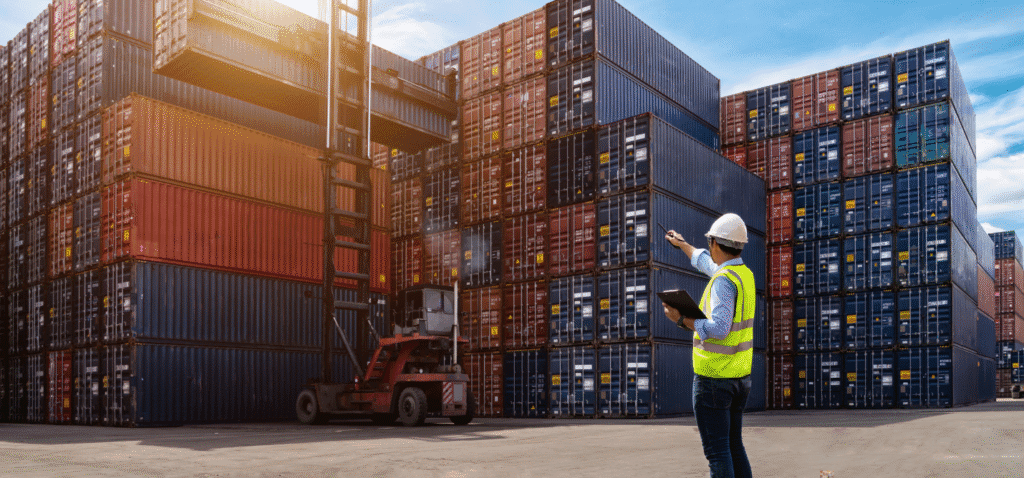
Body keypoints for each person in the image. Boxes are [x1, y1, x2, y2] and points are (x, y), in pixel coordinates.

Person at [663, 213, 756, 478]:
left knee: (718, 453)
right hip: (739, 378)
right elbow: (705, 262)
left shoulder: (724, 281)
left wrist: (681, 318)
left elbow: (719, 328)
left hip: (715, 379)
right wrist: (682, 244)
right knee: (734, 446)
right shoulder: (742, 274)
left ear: (716, 243)